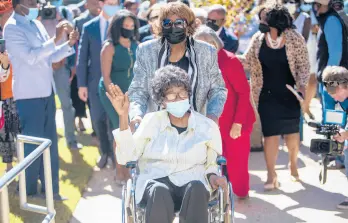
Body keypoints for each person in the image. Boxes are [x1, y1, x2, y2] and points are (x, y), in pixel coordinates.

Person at [109, 65, 227, 223]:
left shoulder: (207, 126)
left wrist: (214, 177)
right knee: (159, 190)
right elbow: (127, 156)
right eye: (171, 96)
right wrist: (123, 116)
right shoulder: (151, 122)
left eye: (182, 93)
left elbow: (212, 164)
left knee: (197, 188)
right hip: (156, 181)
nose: (178, 99)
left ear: (188, 94)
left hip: (192, 181)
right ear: (162, 101)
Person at [4, 0, 79, 200]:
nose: (35, 4)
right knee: (33, 145)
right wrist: (55, 40)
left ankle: (51, 190)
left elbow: (51, 56)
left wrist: (68, 44)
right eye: (31, 1)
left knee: (50, 143)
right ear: (18, 3)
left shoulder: (36, 24)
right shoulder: (11, 28)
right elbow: (29, 57)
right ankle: (28, 189)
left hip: (46, 92)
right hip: (28, 95)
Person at [239, 3, 310, 189]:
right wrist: (225, 56)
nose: (261, 21)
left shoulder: (295, 38)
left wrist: (302, 86)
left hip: (290, 92)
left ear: (274, 22)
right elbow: (246, 60)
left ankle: (293, 164)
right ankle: (271, 176)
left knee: (292, 135)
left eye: (264, 18)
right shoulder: (258, 38)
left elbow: (304, 65)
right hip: (265, 93)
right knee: (270, 135)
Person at [128, 2, 227, 131]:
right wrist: (137, 115)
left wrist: (213, 115)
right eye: (167, 23)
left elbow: (218, 89)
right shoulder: (147, 50)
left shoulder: (206, 51)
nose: (173, 27)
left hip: (196, 128)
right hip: (157, 130)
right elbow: (138, 90)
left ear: (189, 25)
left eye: (179, 23)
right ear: (161, 25)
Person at [194, 25, 255, 199]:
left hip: (234, 120)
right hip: (212, 121)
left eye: (206, 42)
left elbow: (243, 93)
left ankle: (241, 195)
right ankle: (219, 196)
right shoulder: (198, 62)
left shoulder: (229, 60)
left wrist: (238, 123)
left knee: (237, 165)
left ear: (215, 42)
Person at [77, 0, 121, 169]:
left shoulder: (120, 24)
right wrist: (81, 84)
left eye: (115, 3)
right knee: (98, 120)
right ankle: (104, 152)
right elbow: (82, 57)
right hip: (95, 83)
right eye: (109, 2)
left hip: (116, 84)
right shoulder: (89, 26)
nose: (112, 5)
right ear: (102, 4)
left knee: (115, 121)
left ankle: (117, 157)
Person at [98, 10, 139, 183]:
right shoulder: (109, 47)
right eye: (125, 26)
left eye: (132, 26)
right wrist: (116, 98)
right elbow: (106, 77)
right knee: (119, 131)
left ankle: (127, 168)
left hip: (131, 92)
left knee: (130, 129)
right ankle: (120, 171)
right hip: (112, 92)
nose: (129, 29)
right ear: (117, 27)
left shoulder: (137, 44)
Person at [321, 66, 348, 209]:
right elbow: (331, 114)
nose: (335, 98)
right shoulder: (335, 93)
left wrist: (346, 134)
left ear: (345, 86)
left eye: (336, 94)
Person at [72, 0, 100, 133]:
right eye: (93, 3)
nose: (96, 5)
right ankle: (96, 129)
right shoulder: (80, 22)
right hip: (90, 70)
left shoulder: (110, 19)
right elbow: (78, 49)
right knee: (92, 102)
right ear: (86, 5)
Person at [0, 0, 20, 173]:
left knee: (16, 132)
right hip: (4, 94)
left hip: (16, 92)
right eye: (8, 15)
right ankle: (9, 167)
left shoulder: (16, 32)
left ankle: (15, 166)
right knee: (6, 133)